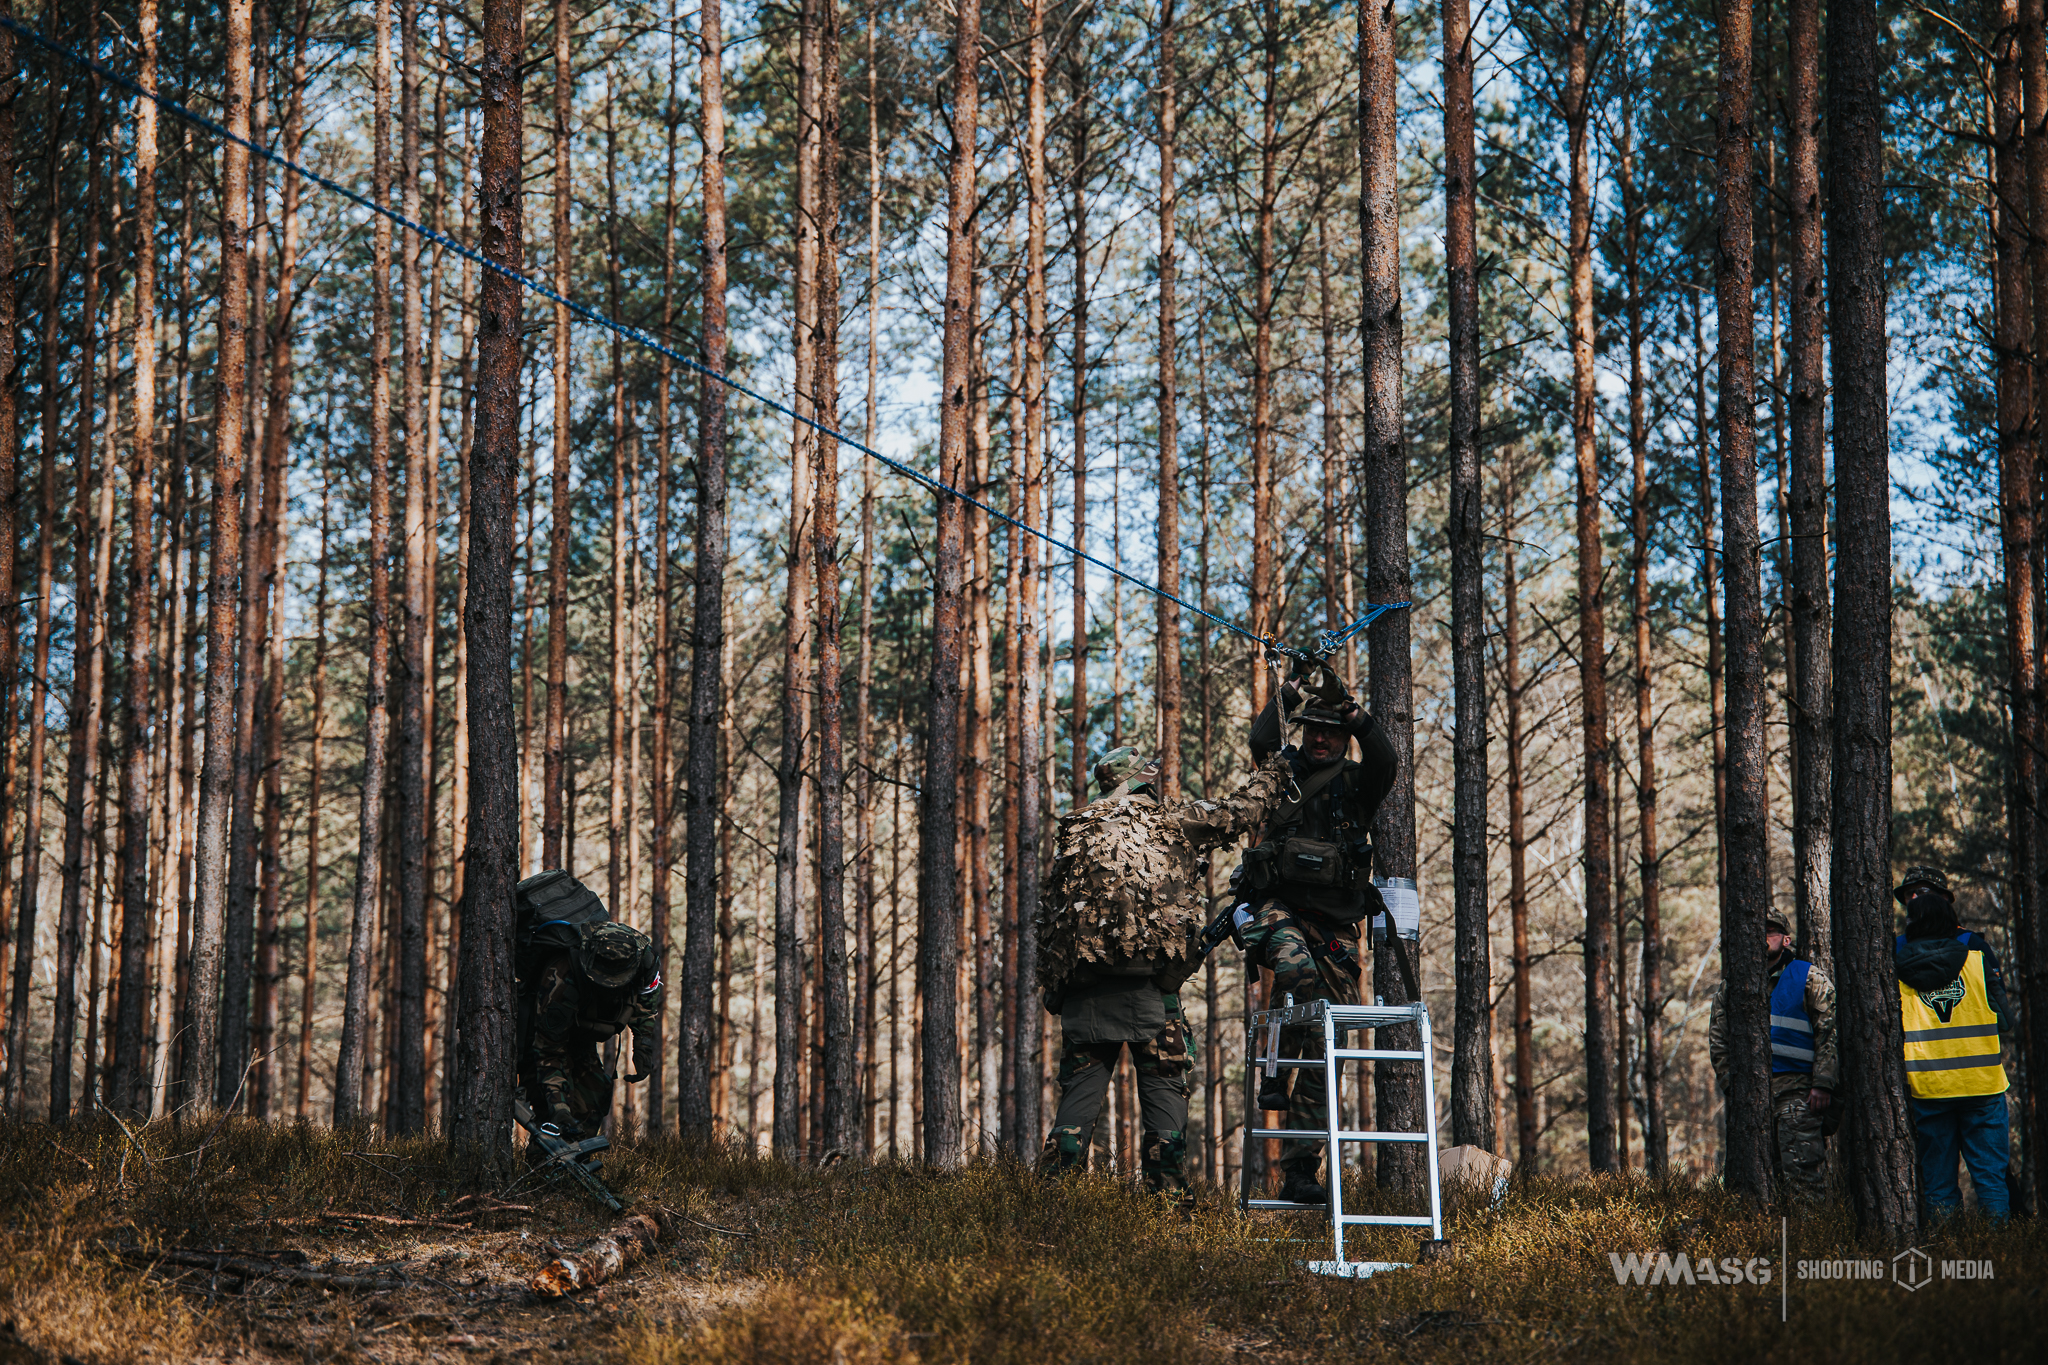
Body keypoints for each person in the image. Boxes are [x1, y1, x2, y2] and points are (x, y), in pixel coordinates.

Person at [1036, 745, 1291, 1192]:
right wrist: (1277, 769)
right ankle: (1169, 1208)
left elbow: (1054, 921)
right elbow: (1238, 812)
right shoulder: (1169, 821)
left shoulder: (1075, 831)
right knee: (1164, 1104)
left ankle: (1052, 1206)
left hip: (1084, 997)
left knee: (1076, 1110)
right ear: (1144, 782)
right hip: (1154, 994)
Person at [1241, 668, 1398, 1206]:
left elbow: (1387, 759)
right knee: (1298, 981)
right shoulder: (1282, 771)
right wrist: (1290, 690)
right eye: (1312, 729)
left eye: (1331, 730)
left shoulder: (1358, 781)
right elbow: (1262, 739)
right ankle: (1274, 1068)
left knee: (1328, 1042)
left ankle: (1301, 1168)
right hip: (1278, 912)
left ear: (1344, 735)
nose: (1320, 738)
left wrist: (1351, 708)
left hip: (1336, 929)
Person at [1894, 867, 2012, 1222]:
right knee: (1990, 1179)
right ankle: (2002, 1260)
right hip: (1982, 1084)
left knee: (1938, 1184)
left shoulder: (1895, 955)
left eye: (1921, 893)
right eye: (1910, 894)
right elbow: (2004, 1019)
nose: (1915, 899)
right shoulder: (1976, 950)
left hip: (1928, 1086)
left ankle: (1947, 1260)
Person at [1707, 908, 1836, 1206]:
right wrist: (1733, 1087)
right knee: (1756, 1187)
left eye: (1770, 931)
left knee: (1804, 1182)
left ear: (1786, 939)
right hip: (1751, 1100)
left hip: (1799, 1096)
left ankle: (1812, 1244)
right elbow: (1718, 1040)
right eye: (1755, 931)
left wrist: (1823, 1084)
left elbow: (1830, 1033)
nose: (1762, 938)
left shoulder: (1809, 978)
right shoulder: (1732, 984)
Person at [522, 919, 664, 1143]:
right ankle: (542, 1171)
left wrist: (643, 1043)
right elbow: (548, 1052)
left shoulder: (644, 960)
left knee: (595, 1095)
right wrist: (559, 1107)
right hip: (540, 1037)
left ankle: (576, 1161)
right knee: (553, 1115)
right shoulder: (561, 979)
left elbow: (646, 1001)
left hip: (580, 1034)